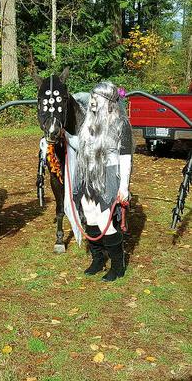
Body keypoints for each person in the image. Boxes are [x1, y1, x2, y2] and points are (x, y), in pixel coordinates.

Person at [73, 82, 133, 282]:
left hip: (108, 175)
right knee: (89, 216)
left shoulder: (121, 124)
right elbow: (78, 145)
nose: (92, 100)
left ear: (108, 102)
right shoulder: (88, 123)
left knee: (104, 220)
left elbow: (125, 157)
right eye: (92, 96)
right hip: (87, 174)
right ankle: (98, 259)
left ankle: (118, 265)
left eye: (96, 97)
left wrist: (124, 185)